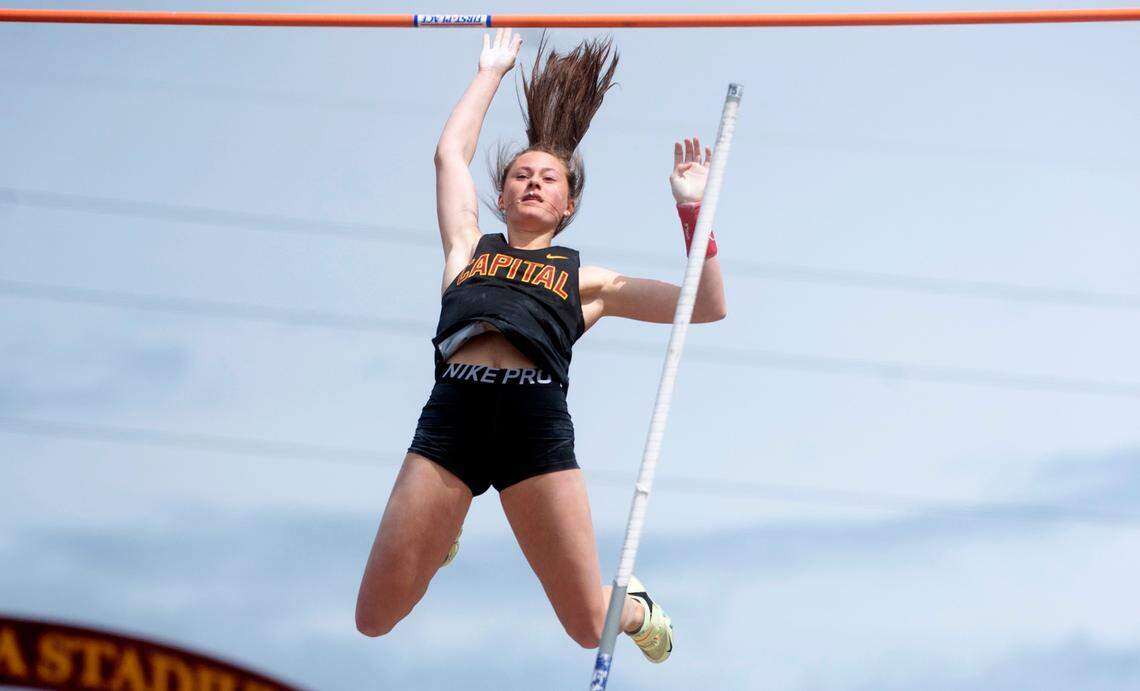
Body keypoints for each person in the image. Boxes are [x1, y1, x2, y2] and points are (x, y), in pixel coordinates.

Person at [355, 29, 726, 664]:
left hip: (534, 430)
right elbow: (451, 155)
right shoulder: (467, 249)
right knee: (375, 617)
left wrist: (692, 210)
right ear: (499, 196)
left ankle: (635, 606)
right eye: (520, 175)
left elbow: (706, 305)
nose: (531, 183)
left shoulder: (590, 282)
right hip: (453, 421)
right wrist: (490, 73)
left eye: (547, 178)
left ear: (567, 204)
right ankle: (444, 530)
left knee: (588, 626)